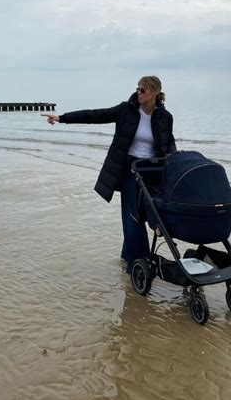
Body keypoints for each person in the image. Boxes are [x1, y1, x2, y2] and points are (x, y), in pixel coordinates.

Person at [42, 76, 176, 274]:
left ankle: (126, 254)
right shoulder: (126, 110)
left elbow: (168, 141)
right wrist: (62, 118)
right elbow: (95, 115)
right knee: (132, 215)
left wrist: (175, 160)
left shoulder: (165, 117)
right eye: (137, 89)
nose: (138, 93)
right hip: (130, 169)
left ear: (155, 92)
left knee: (147, 212)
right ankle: (137, 266)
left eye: (143, 90)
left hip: (153, 170)